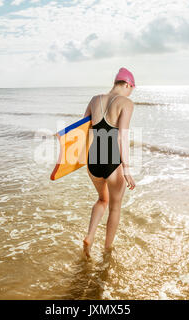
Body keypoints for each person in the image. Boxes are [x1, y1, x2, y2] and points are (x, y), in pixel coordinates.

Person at [81, 67, 136, 258]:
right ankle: (107, 250)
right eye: (131, 88)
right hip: (113, 161)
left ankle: (89, 236)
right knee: (114, 206)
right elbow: (122, 136)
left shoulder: (95, 99)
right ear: (128, 85)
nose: (130, 93)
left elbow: (82, 128)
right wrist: (127, 170)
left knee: (102, 200)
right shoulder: (126, 103)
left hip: (93, 159)